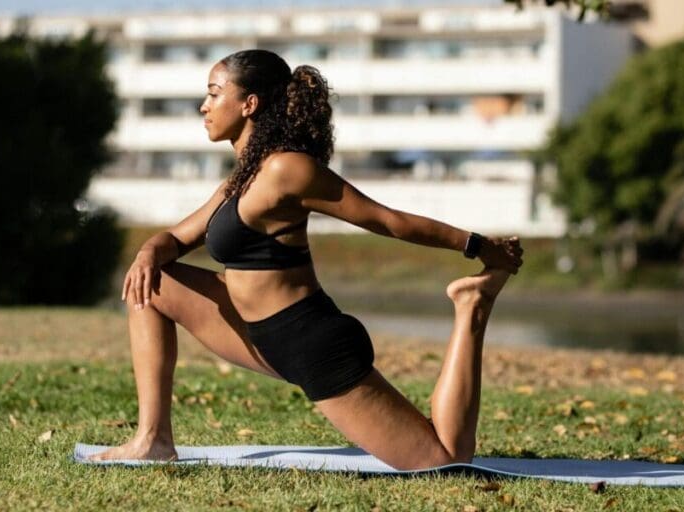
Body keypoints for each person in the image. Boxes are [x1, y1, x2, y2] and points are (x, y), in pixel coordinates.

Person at [89, 49, 524, 470]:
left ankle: (472, 305)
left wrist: (477, 246)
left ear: (249, 104)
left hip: (309, 344)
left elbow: (387, 221)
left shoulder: (287, 169)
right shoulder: (242, 177)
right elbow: (176, 238)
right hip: (253, 332)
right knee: (148, 285)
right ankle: (153, 439)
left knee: (443, 458)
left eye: (214, 93)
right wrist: (147, 252)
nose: (204, 106)